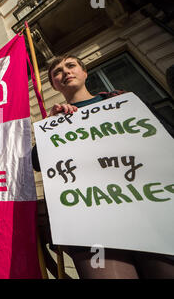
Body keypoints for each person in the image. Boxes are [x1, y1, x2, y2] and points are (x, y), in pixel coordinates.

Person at [33, 54, 174, 278]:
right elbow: (37, 163)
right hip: (92, 227)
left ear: (84, 72)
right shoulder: (56, 122)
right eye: (57, 71)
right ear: (53, 84)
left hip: (151, 215)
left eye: (71, 66)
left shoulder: (124, 101)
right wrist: (52, 127)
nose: (65, 72)